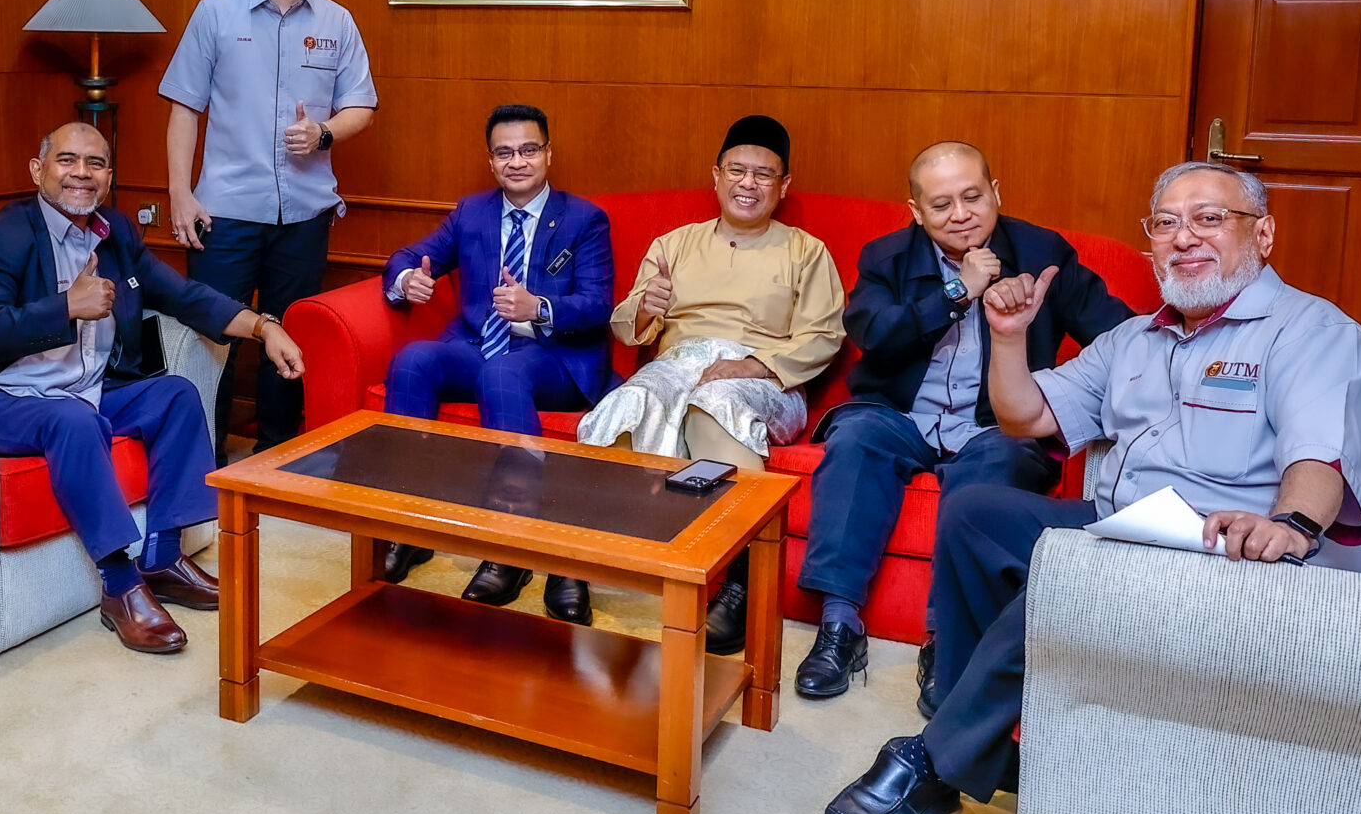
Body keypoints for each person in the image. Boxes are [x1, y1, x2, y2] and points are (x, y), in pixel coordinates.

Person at [821, 161, 1361, 814]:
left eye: (1210, 219)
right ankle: (969, 728)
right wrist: (1009, 337)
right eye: (1166, 223)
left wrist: (1290, 524)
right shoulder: (1134, 339)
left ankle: (938, 757)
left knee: (1069, 572)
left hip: (1235, 552)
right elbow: (1026, 415)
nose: (1185, 237)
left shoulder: (1309, 329)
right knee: (976, 513)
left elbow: (1319, 453)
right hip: (1132, 530)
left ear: (1263, 234)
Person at [0, 123, 306, 655]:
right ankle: (120, 584)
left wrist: (264, 327)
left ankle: (162, 558)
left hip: (87, 388)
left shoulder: (115, 233)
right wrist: (67, 306)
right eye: (67, 160)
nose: (81, 174)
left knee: (175, 394)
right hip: (3, 395)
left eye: (96, 164)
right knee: (72, 418)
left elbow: (182, 295)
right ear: (38, 170)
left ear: (109, 177)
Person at [792, 142, 1135, 700]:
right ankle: (839, 626)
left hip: (993, 425)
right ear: (916, 211)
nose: (960, 214)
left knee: (1001, 462)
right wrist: (959, 292)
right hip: (901, 414)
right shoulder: (886, 257)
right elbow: (872, 334)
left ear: (996, 192)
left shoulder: (1042, 251)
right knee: (854, 440)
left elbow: (1119, 335)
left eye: (972, 197)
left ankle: (947, 643)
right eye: (941, 204)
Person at [580, 114, 846, 654]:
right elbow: (628, 325)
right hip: (680, 361)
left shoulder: (805, 250)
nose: (748, 184)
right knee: (629, 400)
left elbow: (824, 335)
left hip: (767, 376)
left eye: (763, 175)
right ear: (717, 177)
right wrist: (645, 307)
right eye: (737, 171)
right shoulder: (675, 243)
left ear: (783, 186)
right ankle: (583, 560)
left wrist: (753, 366)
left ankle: (742, 583)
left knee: (714, 400)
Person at [376, 104, 616, 623]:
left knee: (502, 372)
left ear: (548, 154)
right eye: (504, 153)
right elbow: (407, 257)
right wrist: (408, 280)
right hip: (479, 346)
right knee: (414, 360)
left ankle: (511, 544)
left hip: (554, 356)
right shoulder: (472, 211)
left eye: (528, 150)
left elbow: (598, 305)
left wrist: (539, 307)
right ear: (490, 162)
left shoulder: (584, 219)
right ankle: (405, 527)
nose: (517, 162)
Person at [161, 0, 377, 451]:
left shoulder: (337, 21)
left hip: (304, 213)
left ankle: (276, 456)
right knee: (213, 337)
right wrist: (180, 193)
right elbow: (184, 108)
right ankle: (202, 459)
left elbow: (361, 105)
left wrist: (323, 132)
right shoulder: (214, 13)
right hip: (224, 212)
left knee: (292, 335)